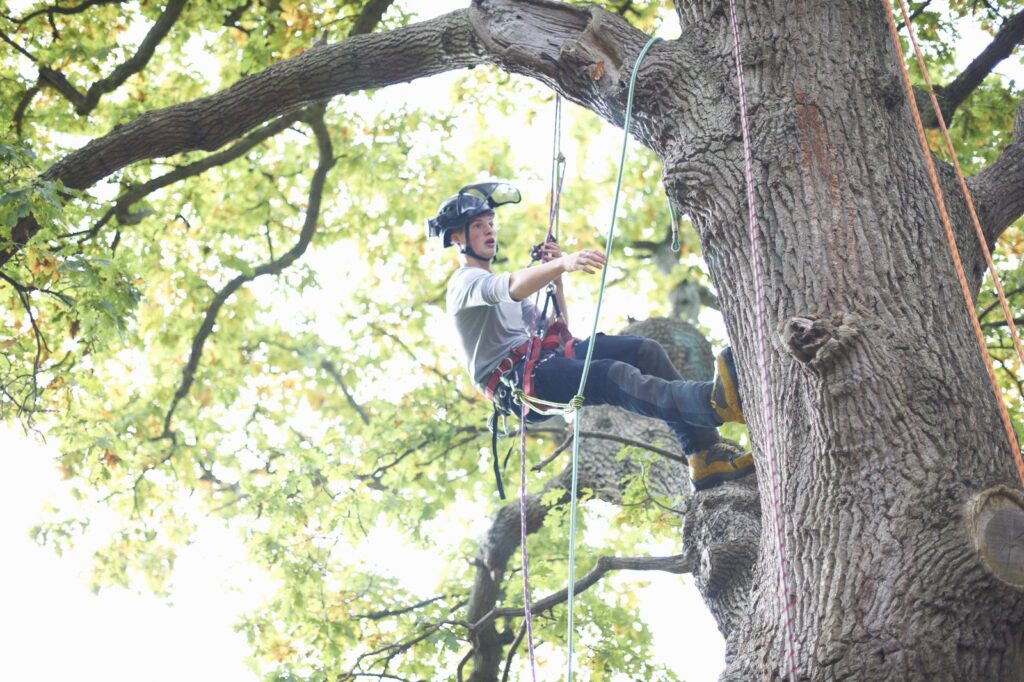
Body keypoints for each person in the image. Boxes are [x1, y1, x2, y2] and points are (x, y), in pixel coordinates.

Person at [428, 181, 753, 491]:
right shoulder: (465, 283)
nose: (489, 231)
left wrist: (557, 282)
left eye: (490, 223)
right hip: (521, 383)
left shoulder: (500, 287)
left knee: (645, 351)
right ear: (457, 238)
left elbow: (558, 329)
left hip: (544, 361)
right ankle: (711, 403)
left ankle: (704, 454)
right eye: (478, 226)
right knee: (610, 376)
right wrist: (564, 264)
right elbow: (512, 286)